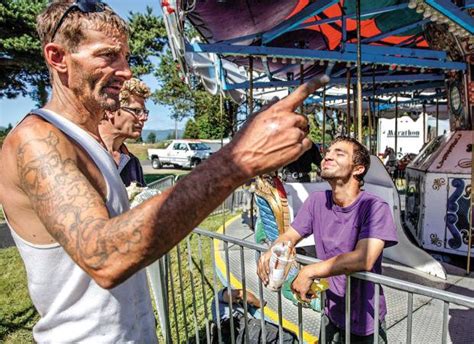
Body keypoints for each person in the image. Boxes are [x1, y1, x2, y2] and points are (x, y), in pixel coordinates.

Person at [0, 0, 329, 342]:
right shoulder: (35, 140)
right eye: (108, 55)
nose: (126, 71)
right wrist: (238, 160)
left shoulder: (91, 142)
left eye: (126, 57)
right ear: (58, 58)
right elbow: (105, 258)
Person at [258, 137, 398, 343]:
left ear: (358, 169)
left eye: (339, 153)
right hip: (332, 310)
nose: (328, 157)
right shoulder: (317, 201)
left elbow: (364, 259)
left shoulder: (375, 207)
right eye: (328, 152)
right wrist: (273, 250)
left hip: (364, 319)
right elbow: (291, 235)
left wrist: (309, 271)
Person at [99, 77, 151, 187]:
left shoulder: (133, 163)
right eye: (137, 111)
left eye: (145, 112)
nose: (144, 118)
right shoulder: (85, 154)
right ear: (110, 110)